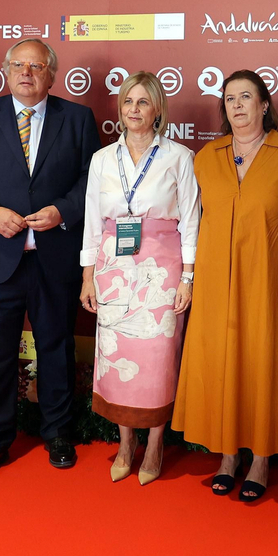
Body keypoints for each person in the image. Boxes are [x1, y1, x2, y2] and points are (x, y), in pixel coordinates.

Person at [0, 38, 101, 485]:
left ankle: (58, 433)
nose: (27, 73)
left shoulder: (77, 119)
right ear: (6, 70)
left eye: (37, 66)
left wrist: (63, 211)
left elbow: (91, 180)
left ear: (52, 75)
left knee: (56, 348)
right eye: (19, 65)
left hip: (54, 258)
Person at [174, 70, 278, 502]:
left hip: (268, 281)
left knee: (261, 362)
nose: (238, 105)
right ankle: (228, 456)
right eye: (230, 98)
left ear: (264, 104)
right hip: (215, 282)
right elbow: (192, 222)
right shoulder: (206, 156)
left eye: (247, 96)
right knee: (223, 362)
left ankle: (263, 457)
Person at [78, 72, 200, 485]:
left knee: (157, 358)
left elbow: (191, 222)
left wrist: (187, 276)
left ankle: (156, 442)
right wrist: (88, 275)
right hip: (113, 269)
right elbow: (93, 221)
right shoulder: (101, 159)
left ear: (158, 109)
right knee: (117, 359)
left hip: (161, 271)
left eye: (143, 102)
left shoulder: (179, 157)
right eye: (128, 101)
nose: (134, 109)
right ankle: (126, 442)